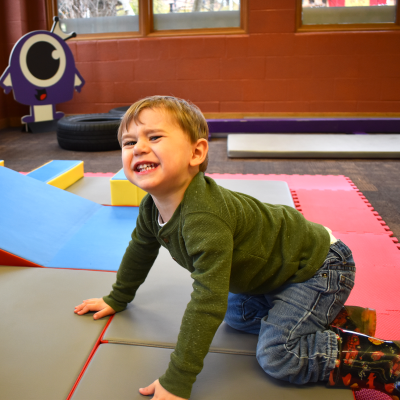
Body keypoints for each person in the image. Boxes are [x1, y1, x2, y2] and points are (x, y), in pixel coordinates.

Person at [74, 96, 399, 400]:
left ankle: (389, 362)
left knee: (278, 356)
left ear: (196, 153)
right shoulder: (150, 208)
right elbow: (140, 251)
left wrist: (179, 377)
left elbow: (206, 302)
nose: (139, 148)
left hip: (319, 266)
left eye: (154, 137)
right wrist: (118, 297)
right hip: (273, 270)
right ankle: (328, 317)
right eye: (129, 142)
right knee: (238, 318)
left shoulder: (203, 218)